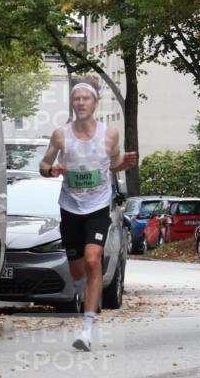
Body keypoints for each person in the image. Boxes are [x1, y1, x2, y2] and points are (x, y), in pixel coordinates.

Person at [39, 77, 138, 351]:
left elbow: (112, 163)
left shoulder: (110, 134)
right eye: (77, 98)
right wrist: (51, 170)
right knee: (77, 269)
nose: (81, 103)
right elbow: (43, 164)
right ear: (72, 102)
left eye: (86, 98)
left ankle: (87, 327)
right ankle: (85, 296)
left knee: (94, 260)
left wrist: (124, 164)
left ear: (96, 103)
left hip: (97, 207)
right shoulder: (61, 135)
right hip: (70, 208)